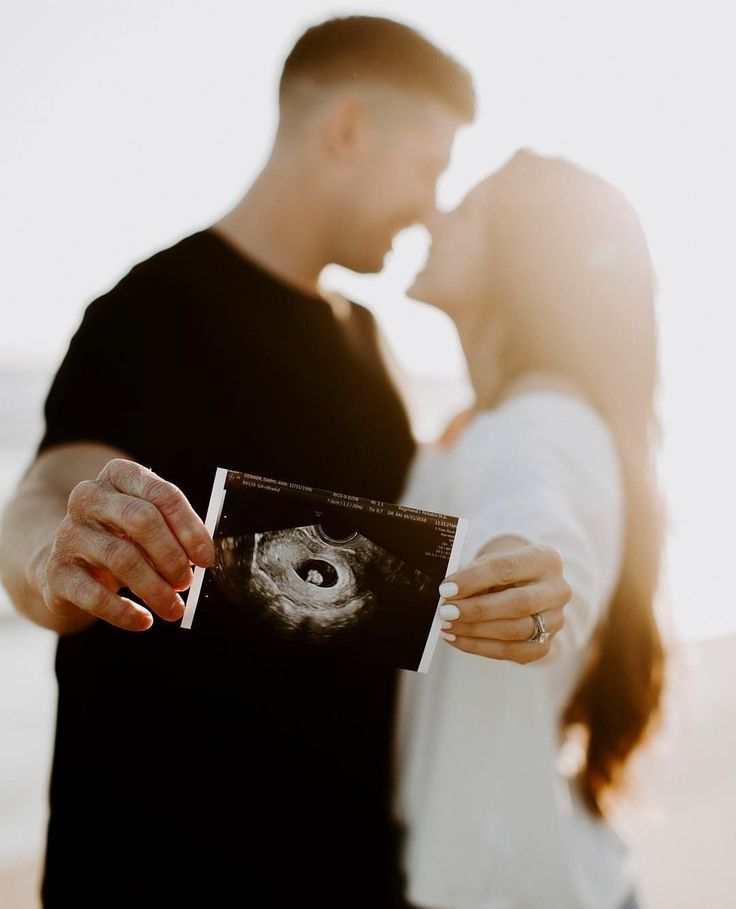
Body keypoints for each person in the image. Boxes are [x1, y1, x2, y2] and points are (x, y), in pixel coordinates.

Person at [0, 19, 571, 908]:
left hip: (347, 870)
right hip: (154, 870)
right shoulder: (153, 312)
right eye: (429, 169)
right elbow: (52, 482)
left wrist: (520, 591)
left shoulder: (368, 342)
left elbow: (408, 549)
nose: (430, 207)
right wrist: (48, 553)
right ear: (347, 131)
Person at [394, 149, 667, 909]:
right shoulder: (484, 425)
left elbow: (538, 510)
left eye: (469, 209)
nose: (433, 216)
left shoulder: (545, 420)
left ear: (522, 263)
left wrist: (532, 572)